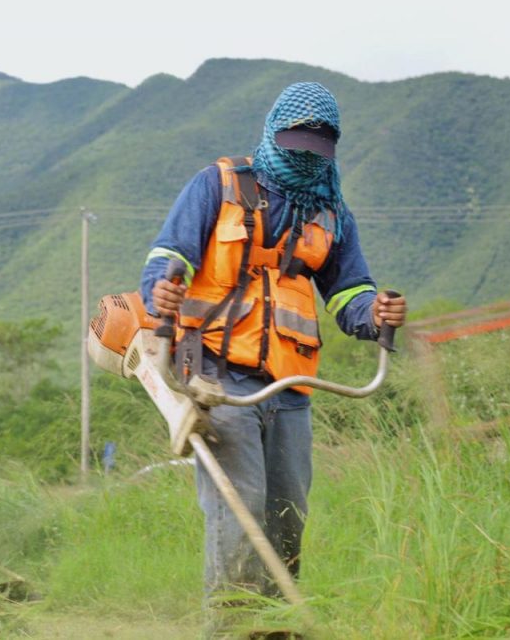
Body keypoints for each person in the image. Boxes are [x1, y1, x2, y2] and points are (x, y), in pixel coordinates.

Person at [140, 83, 407, 615]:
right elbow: (169, 257)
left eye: (317, 146)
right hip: (217, 375)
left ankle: (277, 623)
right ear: (273, 133)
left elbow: (349, 292)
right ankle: (233, 626)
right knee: (240, 512)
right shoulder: (217, 185)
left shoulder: (331, 212)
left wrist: (374, 313)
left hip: (290, 386)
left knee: (287, 516)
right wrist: (160, 292)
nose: (306, 155)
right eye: (296, 143)